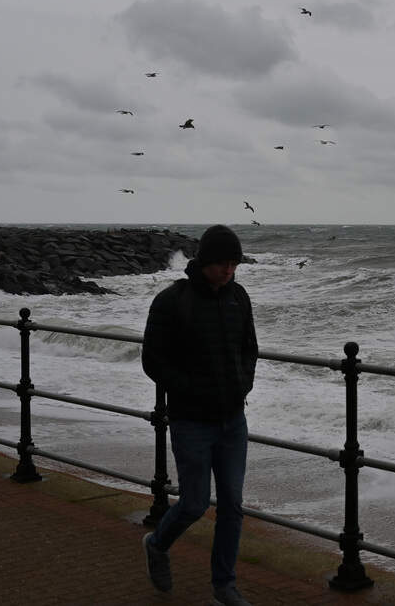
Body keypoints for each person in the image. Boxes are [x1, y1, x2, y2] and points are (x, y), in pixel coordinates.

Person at [141, 224, 259, 606]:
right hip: (191, 420)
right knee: (194, 503)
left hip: (232, 421)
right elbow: (153, 360)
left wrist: (243, 383)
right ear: (205, 261)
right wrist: (190, 389)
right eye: (223, 263)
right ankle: (157, 544)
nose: (229, 270)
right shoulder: (173, 301)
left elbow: (249, 349)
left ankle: (224, 585)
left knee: (232, 506)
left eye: (234, 263)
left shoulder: (238, 297)